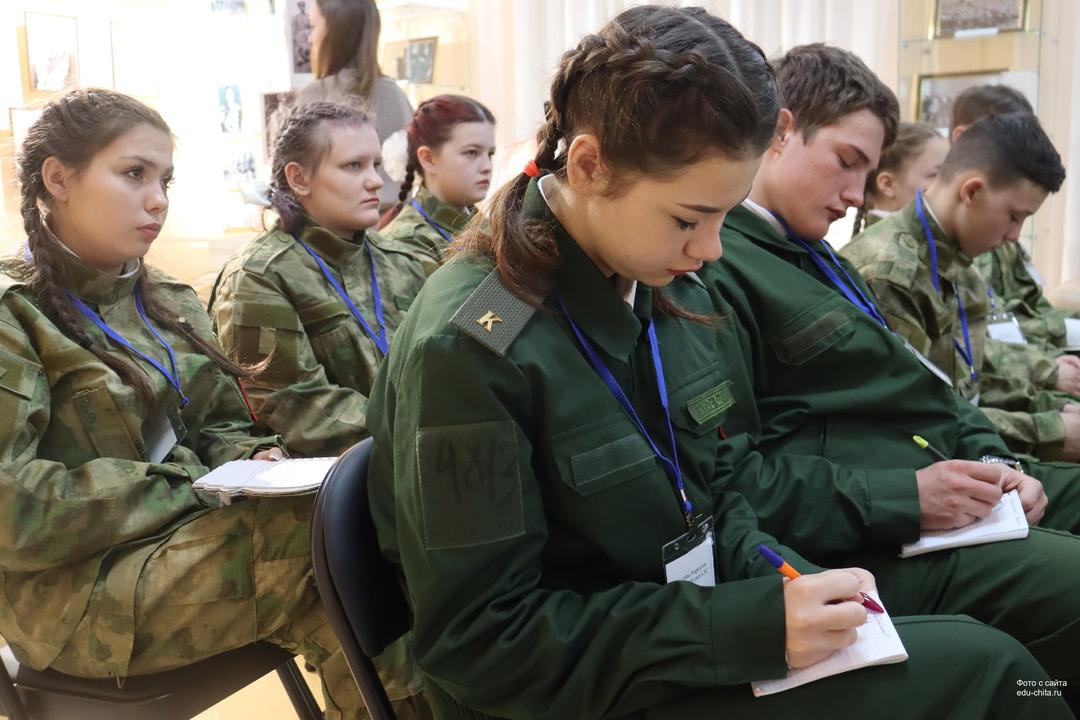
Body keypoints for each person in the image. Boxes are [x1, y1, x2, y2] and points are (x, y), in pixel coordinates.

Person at [365, 10, 1066, 720]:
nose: (712, 249)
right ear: (588, 166)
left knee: (987, 654)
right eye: (688, 218)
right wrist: (747, 627)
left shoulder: (657, 283)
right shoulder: (473, 346)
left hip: (686, 628)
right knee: (990, 675)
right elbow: (483, 643)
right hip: (586, 692)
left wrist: (790, 580)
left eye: (725, 216)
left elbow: (713, 492)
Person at [698, 43, 1080, 707]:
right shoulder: (715, 264)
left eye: (868, 171)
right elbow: (737, 479)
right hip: (865, 530)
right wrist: (907, 497)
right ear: (781, 132)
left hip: (923, 490)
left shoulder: (818, 256)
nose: (856, 196)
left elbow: (927, 383)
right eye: (846, 162)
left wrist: (993, 459)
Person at [0, 88, 367, 719]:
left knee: (361, 527)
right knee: (330, 554)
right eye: (133, 173)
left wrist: (259, 460)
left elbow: (220, 422)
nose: (158, 200)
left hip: (187, 538)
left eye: (165, 180)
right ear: (58, 179)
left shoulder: (166, 299)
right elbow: (11, 510)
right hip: (74, 592)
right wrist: (185, 484)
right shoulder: (15, 317)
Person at [210, 102, 431, 716]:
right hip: (350, 494)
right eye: (353, 166)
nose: (376, 181)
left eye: (377, 165)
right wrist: (428, 435)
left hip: (420, 474)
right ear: (299, 178)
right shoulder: (262, 275)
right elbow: (296, 408)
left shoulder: (403, 262)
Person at [843, 113, 1079, 461]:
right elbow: (918, 418)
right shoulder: (889, 274)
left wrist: (1050, 406)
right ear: (972, 191)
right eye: (1014, 217)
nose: (1014, 235)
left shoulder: (958, 259)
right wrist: (1049, 429)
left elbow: (969, 382)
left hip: (971, 442)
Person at [952, 85, 1080, 352]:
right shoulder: (963, 230)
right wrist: (1049, 365)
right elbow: (984, 333)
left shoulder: (1000, 226)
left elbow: (1032, 306)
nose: (1014, 233)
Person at [298, 0, 413, 209]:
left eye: (314, 26)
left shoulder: (314, 96)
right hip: (397, 218)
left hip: (341, 224)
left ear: (335, 32)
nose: (310, 38)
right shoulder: (397, 95)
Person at [378, 94, 496, 267]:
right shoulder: (407, 244)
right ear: (428, 159)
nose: (487, 166)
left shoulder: (480, 223)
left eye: (490, 154)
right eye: (471, 153)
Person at [850, 121, 947, 235]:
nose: (949, 183)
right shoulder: (884, 244)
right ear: (888, 184)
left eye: (949, 173)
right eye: (935, 174)